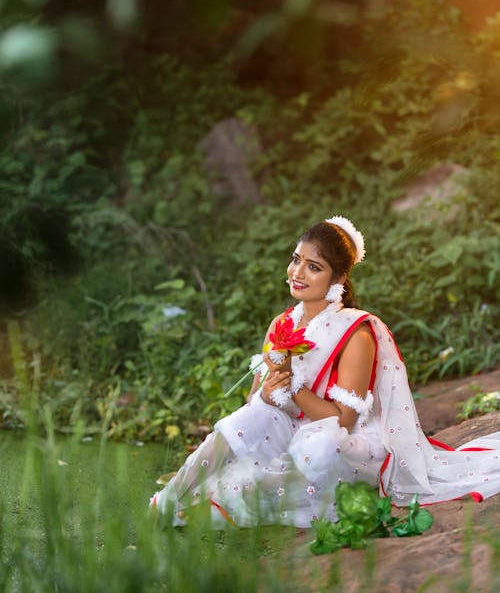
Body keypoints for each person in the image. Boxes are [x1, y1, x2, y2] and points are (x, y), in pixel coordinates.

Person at [150, 216, 500, 527]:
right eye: (296, 260)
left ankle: (222, 502)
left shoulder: (356, 332)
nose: (297, 273)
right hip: (287, 426)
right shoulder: (282, 323)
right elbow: (256, 401)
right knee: (249, 416)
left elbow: (345, 421)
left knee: (312, 453)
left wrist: (295, 388)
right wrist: (271, 393)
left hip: (338, 439)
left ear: (340, 276)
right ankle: (171, 497)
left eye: (313, 267)